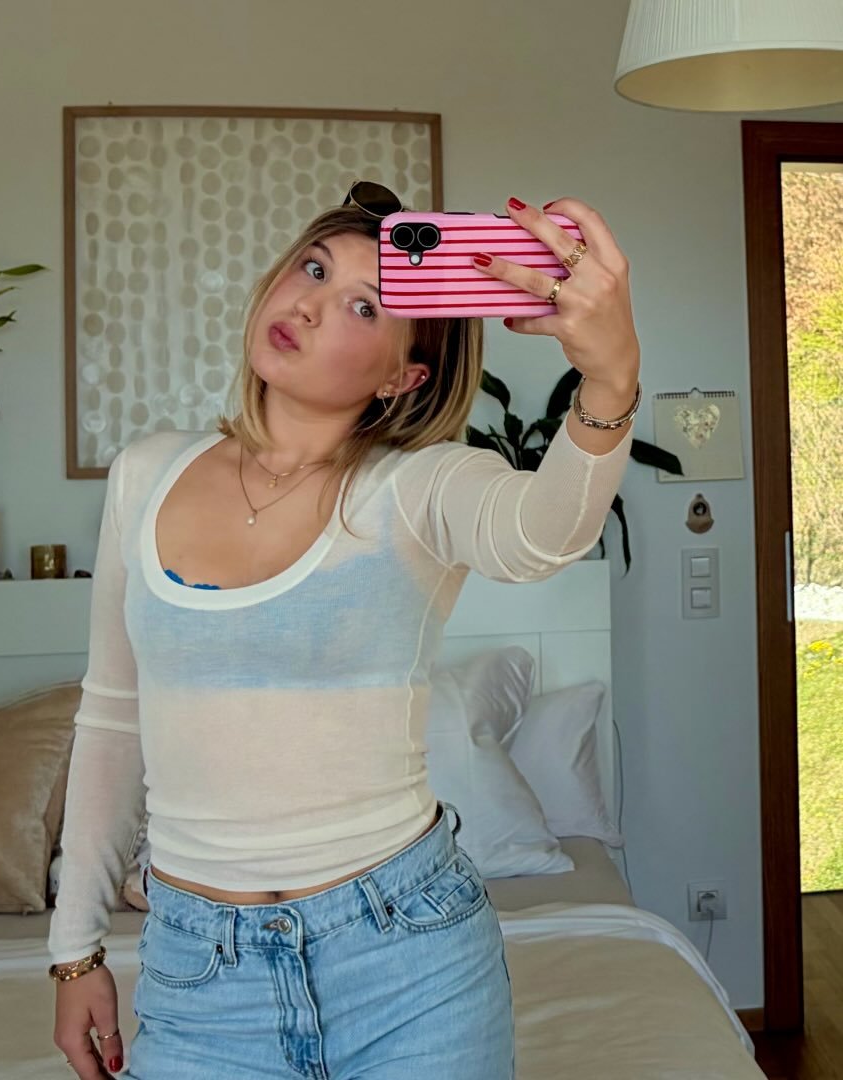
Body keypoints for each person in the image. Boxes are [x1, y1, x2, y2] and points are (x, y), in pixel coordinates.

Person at [48, 181, 641, 1079]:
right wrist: (75, 949)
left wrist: (611, 376)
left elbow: (542, 534)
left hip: (410, 961)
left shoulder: (419, 487)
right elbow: (112, 719)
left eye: (364, 306)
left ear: (404, 376)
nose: (309, 304)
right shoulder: (145, 475)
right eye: (314, 268)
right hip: (200, 975)